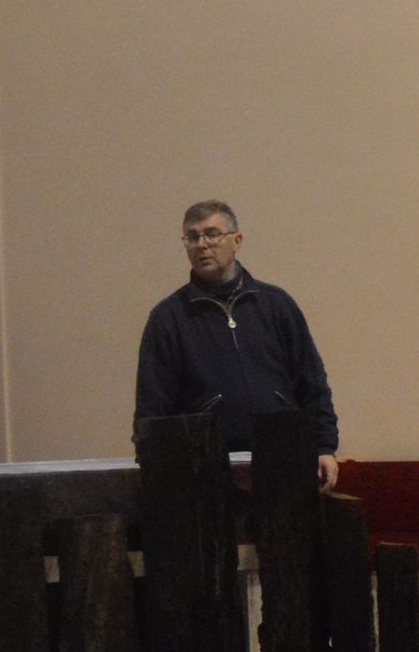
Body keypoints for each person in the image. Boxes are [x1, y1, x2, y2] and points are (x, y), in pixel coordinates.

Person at [133, 199, 341, 486]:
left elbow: (312, 382)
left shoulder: (276, 305)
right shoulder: (169, 318)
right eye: (192, 237)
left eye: (212, 234)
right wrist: (154, 466)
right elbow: (152, 406)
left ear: (237, 241)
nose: (202, 245)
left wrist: (324, 446)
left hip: (284, 459)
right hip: (205, 471)